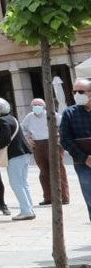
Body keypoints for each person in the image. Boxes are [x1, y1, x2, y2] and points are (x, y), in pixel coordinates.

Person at [0, 97, 35, 221]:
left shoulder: (2, 121)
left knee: (16, 183)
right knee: (23, 183)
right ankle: (29, 208)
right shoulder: (12, 118)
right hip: (24, 152)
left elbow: (4, 140)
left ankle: (26, 211)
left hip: (15, 154)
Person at [21, 97, 70, 205]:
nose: (36, 107)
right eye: (34, 105)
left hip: (53, 142)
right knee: (43, 172)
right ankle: (48, 197)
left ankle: (64, 197)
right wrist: (27, 138)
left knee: (58, 170)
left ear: (43, 106)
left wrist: (60, 138)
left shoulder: (52, 115)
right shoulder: (29, 117)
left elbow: (64, 125)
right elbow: (23, 128)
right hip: (38, 144)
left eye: (38, 105)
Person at [59, 78, 91, 221]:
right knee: (90, 198)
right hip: (83, 163)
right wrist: (85, 158)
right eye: (74, 91)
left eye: (81, 91)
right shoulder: (69, 113)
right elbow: (65, 139)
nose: (77, 94)